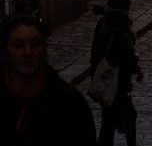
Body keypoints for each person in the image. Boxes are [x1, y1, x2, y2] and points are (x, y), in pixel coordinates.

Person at [0, 13, 97, 146]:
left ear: (44, 50)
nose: (28, 52)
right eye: (18, 45)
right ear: (5, 51)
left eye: (35, 45)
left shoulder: (70, 105)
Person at [89, 0, 143, 146]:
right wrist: (137, 69)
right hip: (118, 81)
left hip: (103, 78)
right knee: (129, 117)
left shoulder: (102, 24)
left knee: (108, 120)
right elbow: (127, 56)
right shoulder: (120, 30)